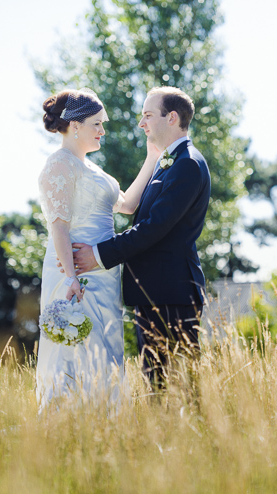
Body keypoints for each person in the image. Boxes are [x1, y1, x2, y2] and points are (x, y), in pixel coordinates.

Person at [72, 86, 211, 391]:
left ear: (171, 117)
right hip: (156, 292)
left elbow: (151, 229)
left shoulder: (187, 164)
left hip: (172, 293)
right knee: (158, 384)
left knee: (180, 387)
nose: (141, 123)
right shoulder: (172, 161)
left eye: (148, 115)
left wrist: (97, 255)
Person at [36, 88, 159, 409]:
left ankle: (104, 422)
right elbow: (59, 225)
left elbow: (129, 205)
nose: (103, 131)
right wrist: (72, 277)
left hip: (104, 274)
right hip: (74, 273)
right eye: (97, 124)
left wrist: (152, 156)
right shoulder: (59, 165)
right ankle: (66, 425)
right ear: (74, 126)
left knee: (105, 348)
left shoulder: (94, 170)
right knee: (74, 349)